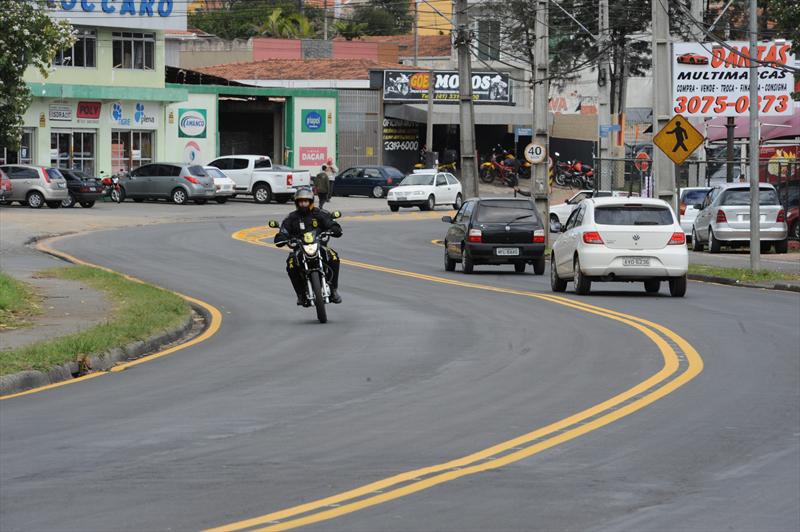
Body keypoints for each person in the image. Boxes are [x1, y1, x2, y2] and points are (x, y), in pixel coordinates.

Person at [274, 189, 342, 306]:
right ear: (297, 203)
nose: (303, 204)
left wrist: (334, 229)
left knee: (334, 257)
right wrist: (281, 237)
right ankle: (300, 294)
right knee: (291, 265)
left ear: (310, 202)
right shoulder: (291, 218)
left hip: (319, 246)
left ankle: (334, 289)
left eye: (306, 201)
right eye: (300, 202)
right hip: (299, 249)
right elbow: (283, 231)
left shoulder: (320, 214)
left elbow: (331, 223)